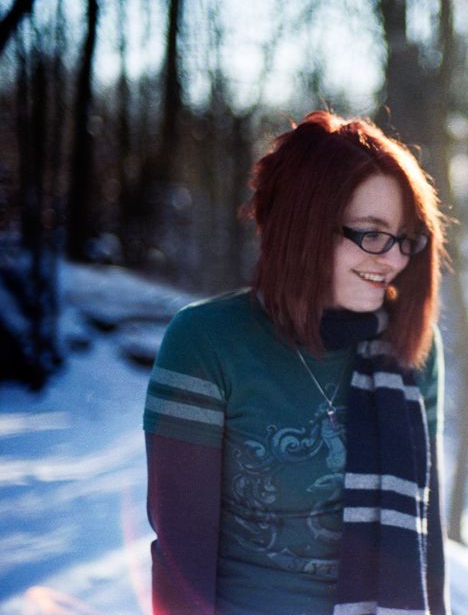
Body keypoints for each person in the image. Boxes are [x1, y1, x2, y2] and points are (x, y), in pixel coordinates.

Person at [144, 110, 448, 615]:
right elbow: (180, 564)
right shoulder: (207, 342)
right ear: (304, 227)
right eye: (371, 233)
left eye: (404, 238)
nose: (392, 260)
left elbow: (425, 547)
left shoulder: (410, 346)